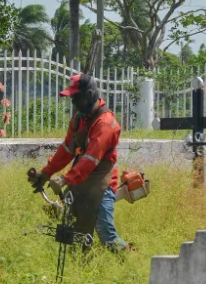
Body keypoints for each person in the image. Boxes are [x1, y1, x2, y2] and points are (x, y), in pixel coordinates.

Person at [29, 74, 131, 251]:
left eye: (77, 97)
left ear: (90, 94)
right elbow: (67, 150)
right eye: (72, 98)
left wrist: (64, 179)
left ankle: (131, 260)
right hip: (79, 182)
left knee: (106, 234)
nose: (74, 102)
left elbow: (90, 159)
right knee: (70, 231)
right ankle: (79, 264)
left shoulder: (105, 123)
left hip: (102, 185)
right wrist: (45, 174)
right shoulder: (79, 120)